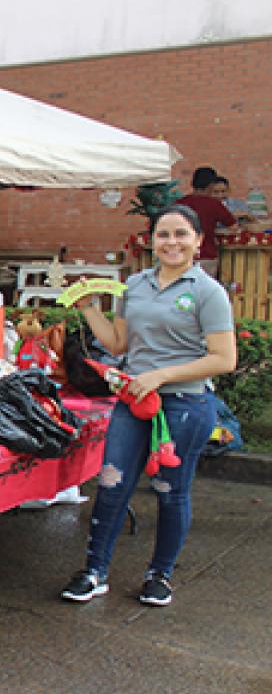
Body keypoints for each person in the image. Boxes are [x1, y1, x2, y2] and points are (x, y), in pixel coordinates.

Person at [61, 205, 235, 607]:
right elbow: (120, 344)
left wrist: (160, 376)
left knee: (170, 491)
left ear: (197, 241)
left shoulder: (207, 292)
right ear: (151, 241)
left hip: (186, 405)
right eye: (163, 235)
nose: (171, 243)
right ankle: (94, 571)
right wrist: (89, 308)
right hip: (133, 400)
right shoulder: (135, 285)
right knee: (112, 482)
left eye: (180, 234)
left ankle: (160, 575)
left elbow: (224, 359)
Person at [175, 166, 237, 278]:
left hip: (181, 255)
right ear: (211, 185)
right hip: (206, 256)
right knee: (204, 293)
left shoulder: (179, 203)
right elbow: (233, 226)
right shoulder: (214, 204)